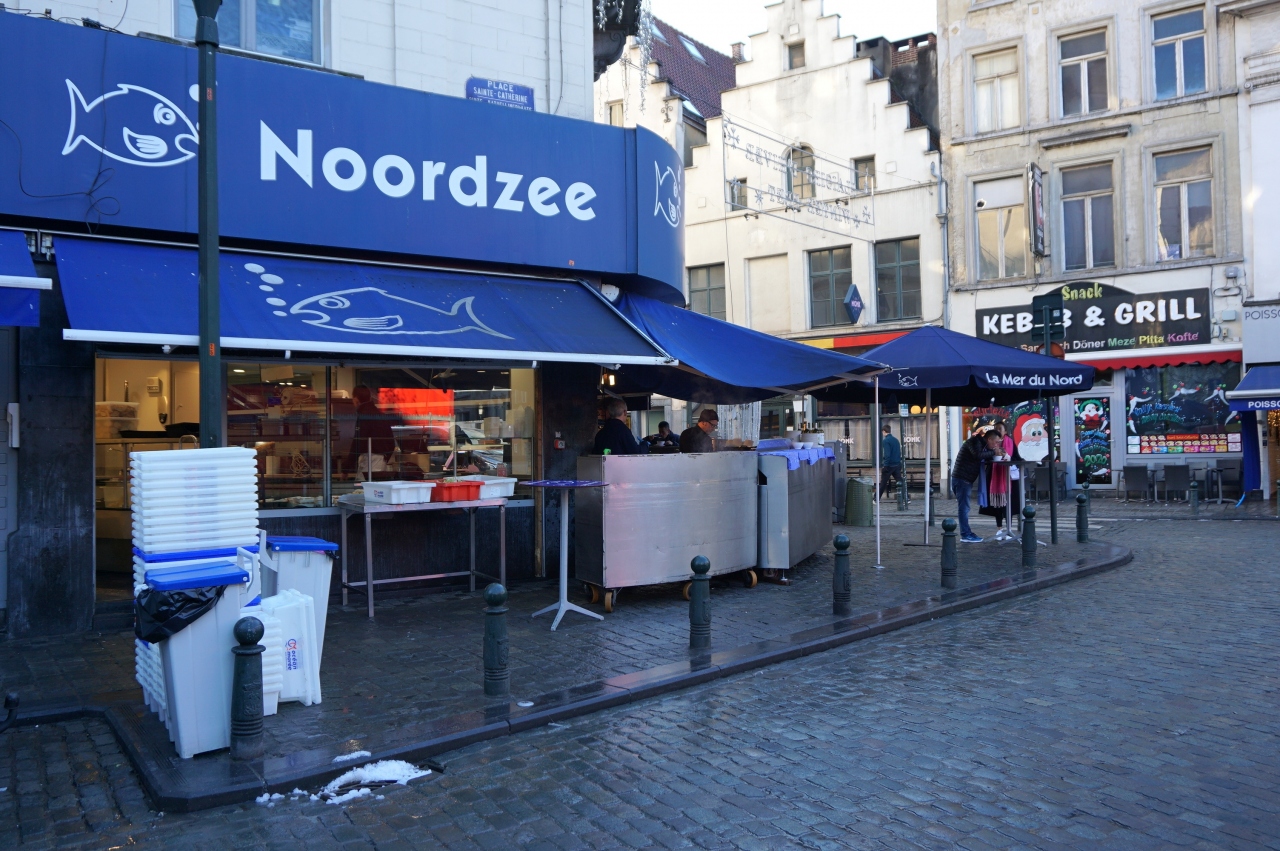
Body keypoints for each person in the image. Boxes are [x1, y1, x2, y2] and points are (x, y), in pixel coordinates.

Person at [950, 424, 995, 543]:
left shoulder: (981, 444)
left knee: (964, 507)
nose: (995, 445)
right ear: (989, 439)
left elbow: (982, 456)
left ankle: (966, 533)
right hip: (962, 479)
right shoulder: (975, 441)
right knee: (964, 508)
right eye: (995, 442)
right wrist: (994, 452)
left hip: (963, 479)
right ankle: (965, 534)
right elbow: (977, 455)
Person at [878, 424, 902, 500]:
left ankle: (876, 498)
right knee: (900, 482)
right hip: (897, 464)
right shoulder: (896, 440)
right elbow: (899, 452)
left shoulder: (886, 441)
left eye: (882, 432)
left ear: (884, 431)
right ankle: (906, 498)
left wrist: (885, 465)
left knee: (883, 483)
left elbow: (887, 455)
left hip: (889, 465)